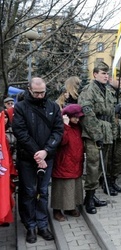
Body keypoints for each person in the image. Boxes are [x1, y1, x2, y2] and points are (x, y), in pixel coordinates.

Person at [12, 77, 64, 243]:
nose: (40, 95)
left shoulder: (53, 107)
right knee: (28, 191)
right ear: (29, 89)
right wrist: (37, 153)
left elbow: (58, 131)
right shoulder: (20, 107)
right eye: (36, 93)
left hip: (47, 156)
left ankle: (42, 224)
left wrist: (46, 151)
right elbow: (20, 133)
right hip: (27, 158)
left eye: (42, 92)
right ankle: (30, 225)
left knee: (43, 191)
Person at [78, 61, 115, 214]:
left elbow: (109, 110)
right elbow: (87, 114)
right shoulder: (89, 90)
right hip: (94, 132)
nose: (106, 76)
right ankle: (88, 198)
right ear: (95, 74)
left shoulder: (106, 90)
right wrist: (96, 135)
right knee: (93, 165)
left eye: (107, 73)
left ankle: (93, 196)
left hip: (105, 130)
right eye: (103, 73)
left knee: (101, 165)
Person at [51, 104, 84, 221]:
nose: (77, 119)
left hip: (75, 161)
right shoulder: (61, 126)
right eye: (74, 117)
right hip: (64, 162)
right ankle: (57, 209)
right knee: (61, 187)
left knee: (73, 186)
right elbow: (61, 141)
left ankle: (70, 207)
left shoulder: (78, 126)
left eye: (78, 117)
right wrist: (65, 126)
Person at [104, 70, 121, 195]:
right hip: (110, 130)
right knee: (109, 158)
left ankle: (113, 179)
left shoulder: (120, 94)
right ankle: (107, 183)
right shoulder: (105, 92)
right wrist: (113, 110)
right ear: (109, 79)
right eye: (118, 79)